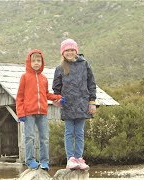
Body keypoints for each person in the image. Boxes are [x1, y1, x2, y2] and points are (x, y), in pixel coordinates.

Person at [52, 39, 97, 170]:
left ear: (76, 51)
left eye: (72, 50)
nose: (70, 52)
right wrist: (57, 99)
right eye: (67, 50)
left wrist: (92, 102)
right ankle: (70, 159)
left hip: (83, 104)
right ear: (63, 52)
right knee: (69, 132)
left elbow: (91, 84)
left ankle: (79, 158)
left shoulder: (85, 64)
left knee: (79, 133)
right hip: (68, 105)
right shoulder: (60, 68)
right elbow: (56, 87)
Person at [16, 49, 62, 170]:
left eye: (38, 60)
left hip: (42, 113)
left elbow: (46, 94)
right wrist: (20, 113)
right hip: (28, 113)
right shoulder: (24, 77)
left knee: (44, 138)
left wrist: (58, 97)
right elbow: (19, 97)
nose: (36, 63)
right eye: (34, 61)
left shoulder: (44, 79)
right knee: (29, 137)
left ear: (42, 62)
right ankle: (30, 160)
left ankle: (44, 162)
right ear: (29, 62)